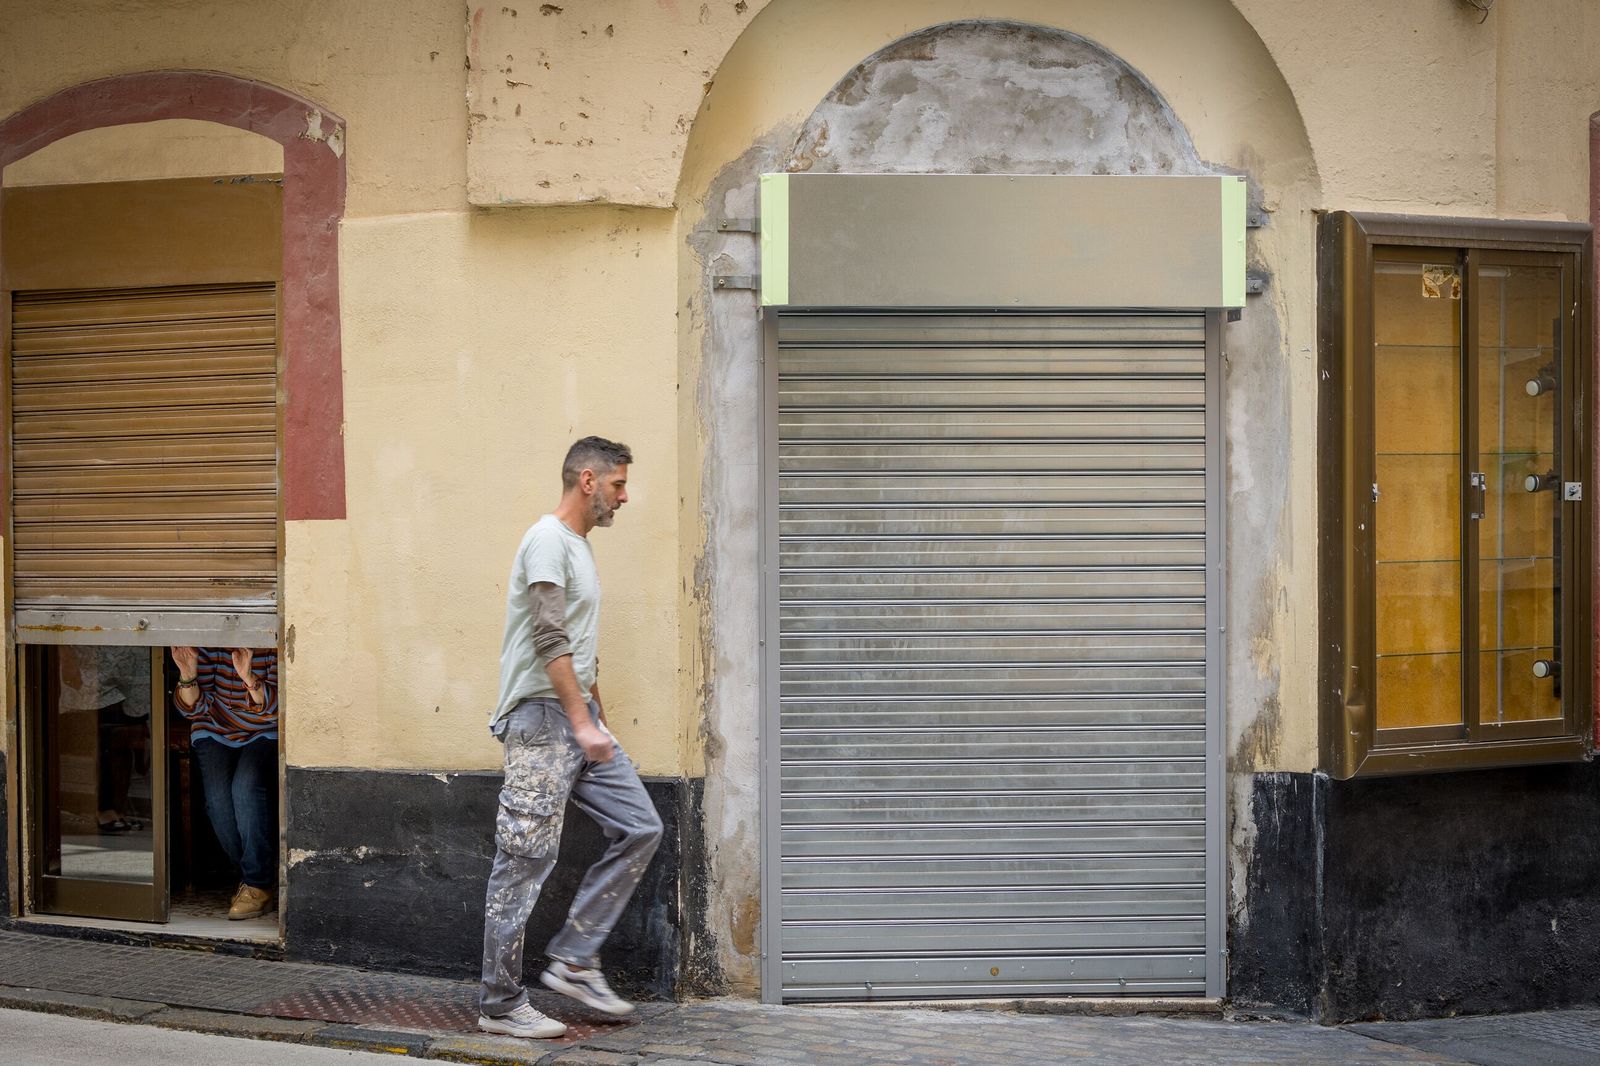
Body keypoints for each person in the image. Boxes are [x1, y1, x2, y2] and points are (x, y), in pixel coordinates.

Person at [478, 436, 664, 1041]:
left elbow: (580, 650)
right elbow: (549, 637)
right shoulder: (547, 542)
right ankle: (500, 1006)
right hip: (540, 720)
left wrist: (596, 717)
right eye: (617, 485)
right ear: (588, 480)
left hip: (578, 717)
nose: (624, 496)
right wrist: (580, 722)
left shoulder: (580, 548)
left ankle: (575, 959)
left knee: (641, 824)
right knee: (523, 861)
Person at [170, 646, 279, 920]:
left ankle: (257, 884)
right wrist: (187, 675)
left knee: (246, 787)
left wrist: (248, 677)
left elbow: (277, 710)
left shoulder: (268, 640)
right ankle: (255, 879)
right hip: (214, 728)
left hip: (264, 728)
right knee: (218, 802)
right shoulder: (209, 643)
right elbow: (194, 710)